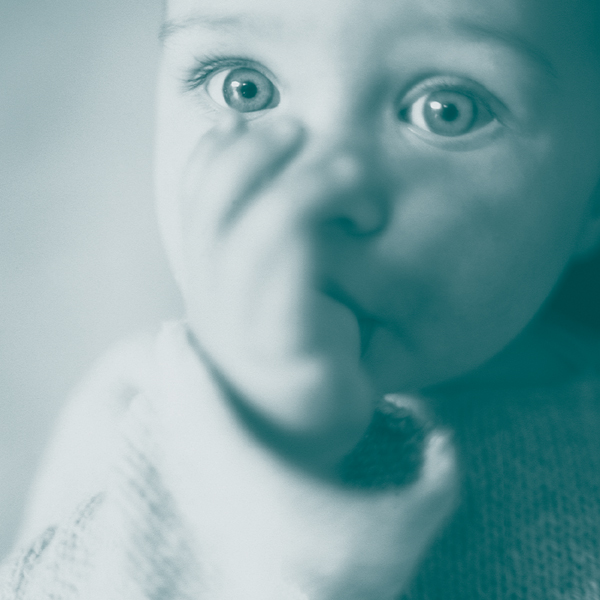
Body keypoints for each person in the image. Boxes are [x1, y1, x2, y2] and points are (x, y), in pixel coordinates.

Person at [2, 0, 600, 597]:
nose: (315, 193)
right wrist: (253, 450)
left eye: (448, 111)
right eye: (245, 89)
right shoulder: (140, 411)